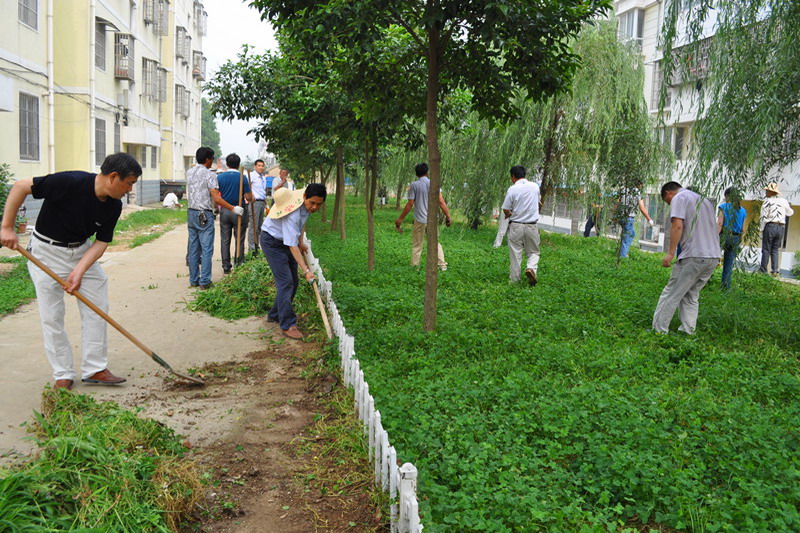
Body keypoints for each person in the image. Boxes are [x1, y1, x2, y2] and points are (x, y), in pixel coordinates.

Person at [0, 153, 142, 390]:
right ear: (113, 177)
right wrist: (6, 227)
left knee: (97, 307)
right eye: (129, 183)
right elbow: (21, 186)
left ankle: (95, 368)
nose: (129, 189)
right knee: (52, 316)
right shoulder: (69, 182)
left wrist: (79, 270)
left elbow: (101, 242)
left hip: (81, 250)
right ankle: (63, 373)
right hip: (45, 252)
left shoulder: (114, 205)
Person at [652, 182, 721, 335]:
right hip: (713, 255)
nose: (669, 205)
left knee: (672, 292)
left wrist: (670, 253)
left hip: (694, 254)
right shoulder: (704, 201)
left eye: (667, 202)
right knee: (691, 295)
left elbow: (677, 226)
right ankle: (688, 330)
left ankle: (658, 330)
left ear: (668, 193)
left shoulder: (679, 198)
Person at [260, 184, 327, 339]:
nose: (314, 207)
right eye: (312, 203)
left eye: (319, 204)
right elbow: (292, 246)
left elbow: (300, 226)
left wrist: (301, 241)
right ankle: (287, 324)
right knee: (286, 282)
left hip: (286, 241)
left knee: (294, 282)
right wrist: (306, 271)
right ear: (304, 197)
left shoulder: (305, 205)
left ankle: (275, 314)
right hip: (272, 242)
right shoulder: (292, 214)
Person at [187, 147, 243, 289]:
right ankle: (205, 281)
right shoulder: (209, 175)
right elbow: (217, 198)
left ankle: (194, 280)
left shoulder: (190, 172)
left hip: (191, 212)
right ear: (207, 159)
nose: (212, 161)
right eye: (212, 158)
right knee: (206, 248)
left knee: (193, 247)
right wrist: (233, 208)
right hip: (204, 214)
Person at [395, 163, 451, 270]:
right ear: (427, 173)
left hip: (419, 220)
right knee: (434, 243)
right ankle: (442, 265)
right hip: (432, 220)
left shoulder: (414, 185)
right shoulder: (434, 184)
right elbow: (441, 201)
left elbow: (410, 204)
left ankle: (415, 266)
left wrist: (400, 218)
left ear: (417, 174)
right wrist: (448, 216)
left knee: (417, 244)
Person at [501, 165, 541, 285]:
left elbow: (505, 209)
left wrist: (509, 214)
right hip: (531, 225)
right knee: (533, 252)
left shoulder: (512, 189)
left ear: (513, 176)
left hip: (516, 226)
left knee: (515, 253)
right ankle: (531, 268)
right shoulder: (535, 186)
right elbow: (537, 201)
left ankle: (514, 281)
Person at [215, 154, 252, 273]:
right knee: (239, 238)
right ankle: (239, 263)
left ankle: (226, 266)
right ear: (238, 164)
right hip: (239, 211)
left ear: (227, 164)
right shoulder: (242, 178)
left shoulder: (220, 177)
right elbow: (248, 197)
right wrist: (252, 198)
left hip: (225, 211)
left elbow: (216, 195)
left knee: (225, 239)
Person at [759, 182, 794, 277]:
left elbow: (763, 217)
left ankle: (763, 270)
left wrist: (761, 230)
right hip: (781, 227)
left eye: (767, 191)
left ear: (771, 192)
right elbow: (790, 212)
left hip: (770, 226)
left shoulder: (767, 202)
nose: (766, 192)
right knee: (775, 249)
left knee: (766, 249)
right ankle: (775, 270)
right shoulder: (783, 201)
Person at [717, 187, 747, 289]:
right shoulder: (743, 211)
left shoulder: (723, 207)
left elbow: (720, 223)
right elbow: (743, 229)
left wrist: (715, 238)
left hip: (724, 235)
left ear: (727, 196)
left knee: (713, 259)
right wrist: (739, 241)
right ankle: (725, 287)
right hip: (735, 238)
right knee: (728, 264)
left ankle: (704, 281)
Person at [616, 181, 654, 257]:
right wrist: (649, 219)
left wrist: (616, 215)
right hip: (628, 218)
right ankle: (622, 256)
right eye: (641, 185)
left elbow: (617, 203)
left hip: (621, 217)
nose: (642, 186)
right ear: (639, 184)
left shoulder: (623, 190)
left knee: (631, 234)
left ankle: (623, 251)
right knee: (626, 238)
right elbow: (642, 208)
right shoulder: (637, 192)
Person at [247, 159, 268, 254]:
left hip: (262, 202)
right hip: (254, 202)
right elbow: (247, 187)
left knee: (259, 227)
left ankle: (257, 246)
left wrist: (265, 202)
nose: (261, 167)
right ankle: (251, 249)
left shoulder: (263, 177)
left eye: (262, 166)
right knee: (253, 226)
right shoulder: (251, 175)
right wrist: (250, 195)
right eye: (259, 166)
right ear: (255, 166)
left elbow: (263, 191)